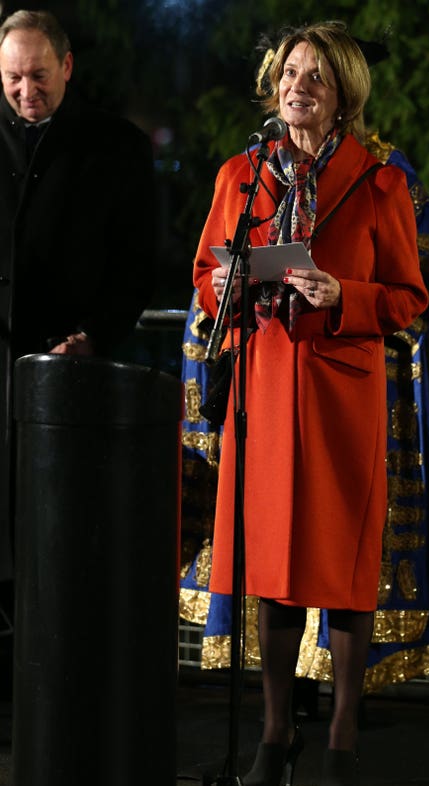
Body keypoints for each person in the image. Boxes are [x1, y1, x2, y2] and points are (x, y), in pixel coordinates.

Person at [191, 20, 429, 786]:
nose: (298, 86)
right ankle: (272, 734)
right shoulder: (243, 172)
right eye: (290, 73)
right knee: (275, 569)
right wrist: (228, 287)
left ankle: (342, 738)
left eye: (316, 78)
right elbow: (203, 271)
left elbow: (407, 297)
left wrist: (344, 295)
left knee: (343, 567)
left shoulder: (381, 181)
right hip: (263, 382)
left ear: (344, 96)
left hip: (341, 392)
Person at [0, 10, 156, 698]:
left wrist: (94, 333)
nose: (25, 90)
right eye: (11, 77)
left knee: (60, 539)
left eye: (37, 74)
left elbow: (136, 263)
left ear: (67, 67)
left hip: (73, 375)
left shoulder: (115, 146)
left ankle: (57, 682)